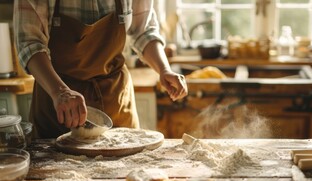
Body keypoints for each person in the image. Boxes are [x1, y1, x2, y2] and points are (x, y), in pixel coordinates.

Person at [14, 0, 188, 138]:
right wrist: (60, 92)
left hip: (115, 99)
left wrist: (164, 69)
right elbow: (30, 43)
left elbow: (144, 31)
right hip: (60, 105)